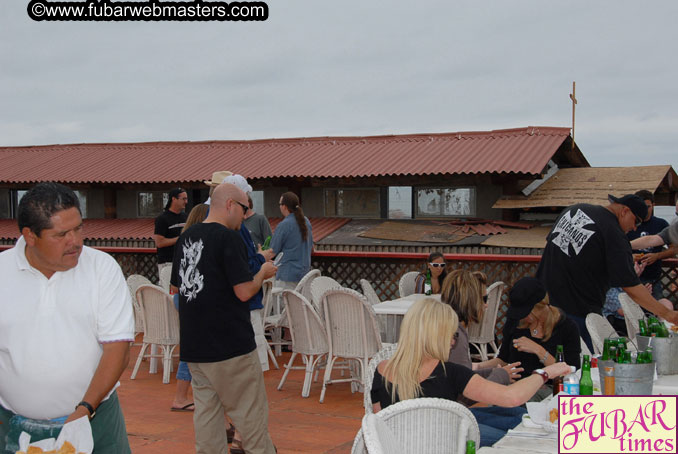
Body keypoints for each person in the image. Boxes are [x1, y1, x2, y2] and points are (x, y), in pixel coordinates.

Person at [0, 182, 134, 453]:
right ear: (30, 236)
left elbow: (118, 350)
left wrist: (85, 410)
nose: (75, 241)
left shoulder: (101, 268)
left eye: (78, 228)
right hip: (13, 427)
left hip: (97, 420)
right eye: (61, 234)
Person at [370, 298, 571, 447]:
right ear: (438, 335)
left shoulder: (381, 369)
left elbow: (381, 424)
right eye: (452, 335)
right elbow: (511, 397)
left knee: (516, 417)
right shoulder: (450, 373)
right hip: (447, 444)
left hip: (400, 446)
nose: (453, 342)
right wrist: (546, 372)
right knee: (519, 432)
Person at [170, 183, 278, 454]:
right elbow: (243, 291)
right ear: (230, 204)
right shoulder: (228, 238)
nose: (245, 215)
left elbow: (177, 288)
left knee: (207, 422)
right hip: (231, 347)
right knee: (251, 424)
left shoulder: (187, 237)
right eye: (244, 208)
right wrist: (262, 273)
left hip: (195, 349)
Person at [536, 193, 678, 351]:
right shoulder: (615, 235)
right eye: (636, 221)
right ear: (624, 211)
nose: (634, 228)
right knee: (582, 363)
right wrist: (668, 314)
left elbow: (558, 245)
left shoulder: (574, 210)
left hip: (541, 301)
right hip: (577, 312)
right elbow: (631, 287)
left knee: (546, 360)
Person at [484, 277, 581, 401]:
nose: (522, 317)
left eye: (526, 313)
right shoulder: (515, 322)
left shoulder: (566, 327)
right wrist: (477, 367)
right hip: (514, 387)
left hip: (550, 390)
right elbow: (503, 359)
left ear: (540, 307)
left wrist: (539, 351)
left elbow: (571, 373)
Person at [442, 269, 517, 385]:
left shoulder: (446, 325)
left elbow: (463, 375)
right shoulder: (455, 336)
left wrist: (493, 372)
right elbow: (464, 390)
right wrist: (500, 376)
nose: (486, 305)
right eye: (484, 299)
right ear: (470, 300)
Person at [171, 203, 209, 413]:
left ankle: (184, 395)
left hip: (183, 297)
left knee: (193, 346)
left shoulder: (183, 241)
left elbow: (174, 281)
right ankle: (180, 396)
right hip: (193, 301)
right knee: (192, 349)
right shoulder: (200, 243)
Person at [627, 190, 670, 300]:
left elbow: (674, 248)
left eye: (648, 207)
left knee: (658, 309)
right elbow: (616, 248)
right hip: (630, 279)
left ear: (653, 205)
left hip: (653, 279)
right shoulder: (627, 224)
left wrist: (657, 256)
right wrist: (629, 256)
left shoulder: (661, 224)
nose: (645, 210)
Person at [270, 191, 313, 290]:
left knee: (283, 305)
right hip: (305, 276)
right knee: (300, 305)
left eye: (279, 204)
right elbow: (311, 247)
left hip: (287, 276)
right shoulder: (306, 221)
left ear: (284, 206)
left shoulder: (284, 225)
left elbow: (272, 251)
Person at [153, 187, 188, 276]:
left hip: (183, 261)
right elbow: (159, 242)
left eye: (186, 199)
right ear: (174, 199)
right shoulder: (162, 219)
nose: (186, 202)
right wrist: (180, 238)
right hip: (167, 263)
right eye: (183, 199)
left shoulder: (186, 217)